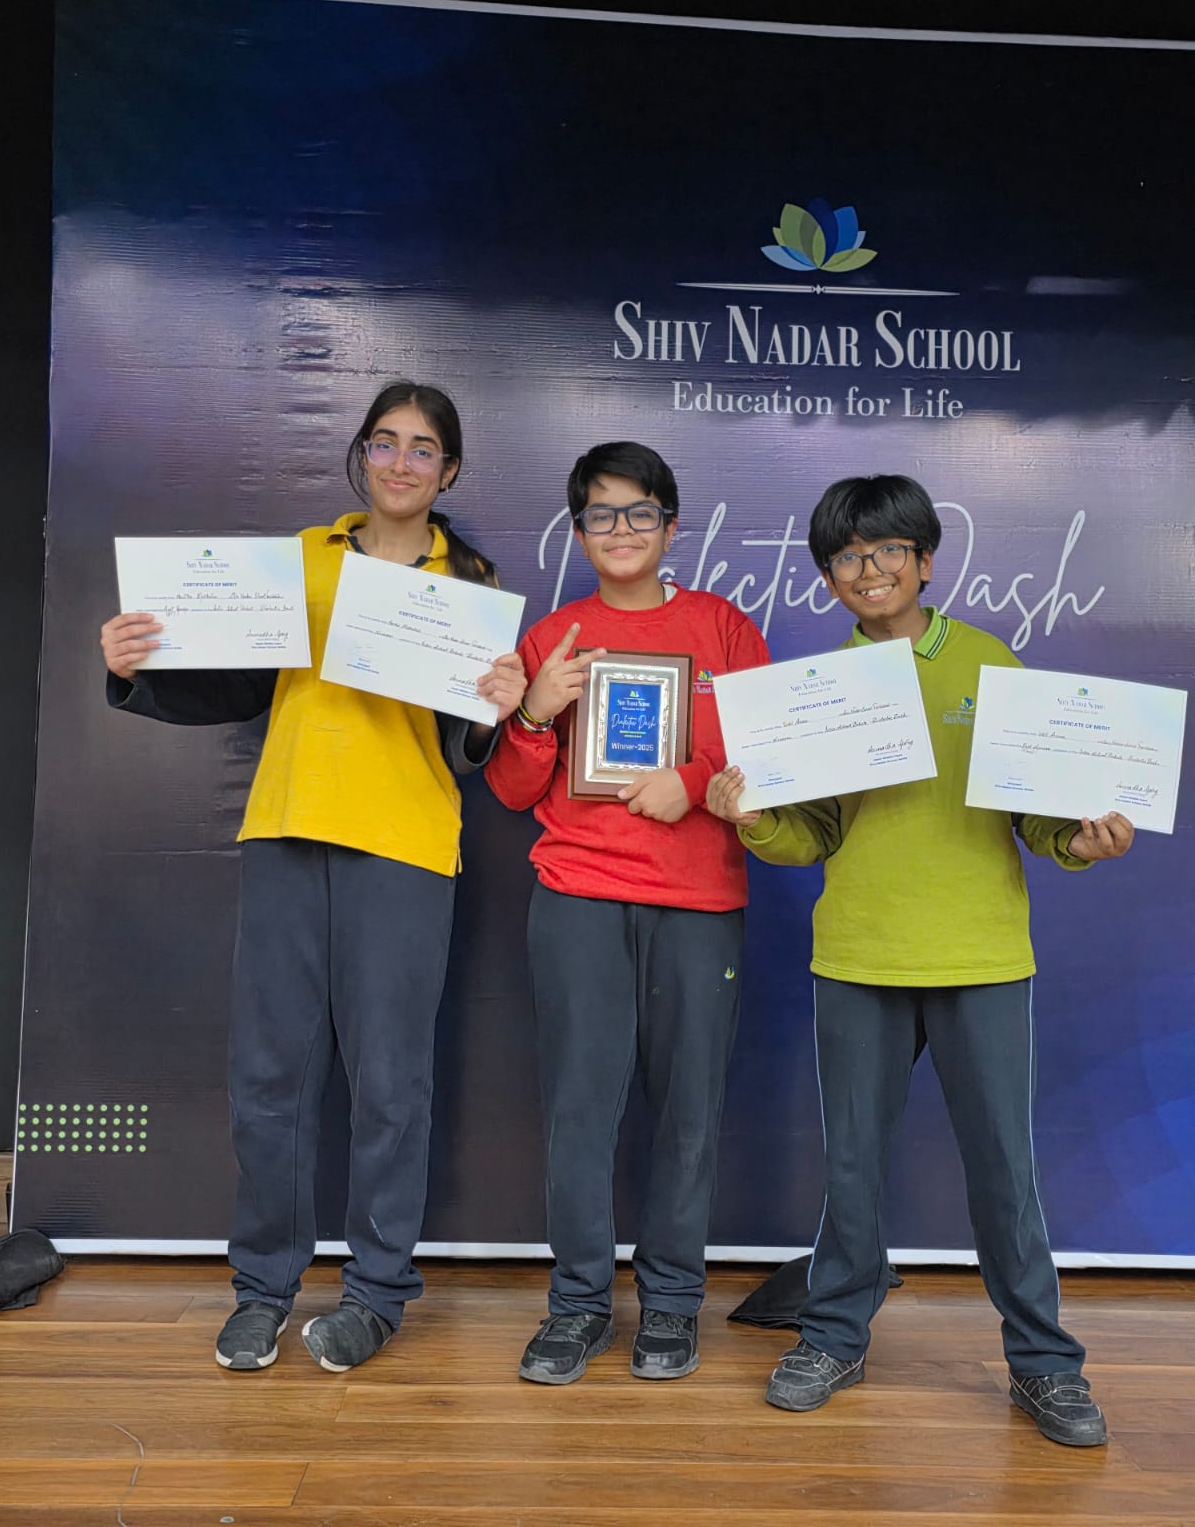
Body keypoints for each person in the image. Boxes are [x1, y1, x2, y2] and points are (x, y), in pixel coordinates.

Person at [100, 381, 525, 1373]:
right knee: (269, 1078)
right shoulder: (298, 558)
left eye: (423, 448)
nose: (401, 462)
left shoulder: (470, 583)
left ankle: (376, 1293)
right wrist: (134, 667)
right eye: (385, 441)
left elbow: (465, 742)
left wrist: (493, 711)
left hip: (404, 846)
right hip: (288, 829)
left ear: (449, 471)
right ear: (361, 453)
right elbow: (237, 681)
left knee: (391, 1085)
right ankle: (263, 1289)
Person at [706, 473, 1134, 1447]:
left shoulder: (990, 664)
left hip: (982, 958)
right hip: (859, 958)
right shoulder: (822, 690)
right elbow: (810, 836)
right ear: (829, 578)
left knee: (1005, 1174)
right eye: (847, 557)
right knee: (852, 1169)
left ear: (925, 561)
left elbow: (1040, 815)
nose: (870, 569)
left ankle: (1044, 1364)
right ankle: (832, 1338)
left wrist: (1080, 840)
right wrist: (755, 819)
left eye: (888, 550)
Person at [485, 441, 769, 1384]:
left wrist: (693, 780)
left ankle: (674, 1303)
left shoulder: (722, 627)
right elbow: (513, 790)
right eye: (601, 514)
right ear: (578, 533)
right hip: (578, 898)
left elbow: (769, 751)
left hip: (698, 903)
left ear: (670, 526)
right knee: (579, 1110)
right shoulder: (553, 638)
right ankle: (577, 1306)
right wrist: (535, 712)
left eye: (639, 512)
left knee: (688, 1112)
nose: (621, 529)